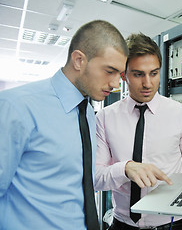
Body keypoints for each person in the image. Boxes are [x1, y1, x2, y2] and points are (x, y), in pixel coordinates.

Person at [0, 20, 128, 230]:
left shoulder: (86, 110)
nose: (116, 84)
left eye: (119, 75)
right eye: (109, 71)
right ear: (79, 60)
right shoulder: (15, 107)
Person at [95, 33, 182, 229]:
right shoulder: (105, 118)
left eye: (154, 73)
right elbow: (96, 178)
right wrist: (125, 168)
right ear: (123, 75)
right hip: (123, 224)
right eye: (138, 74)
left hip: (172, 224)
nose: (147, 83)